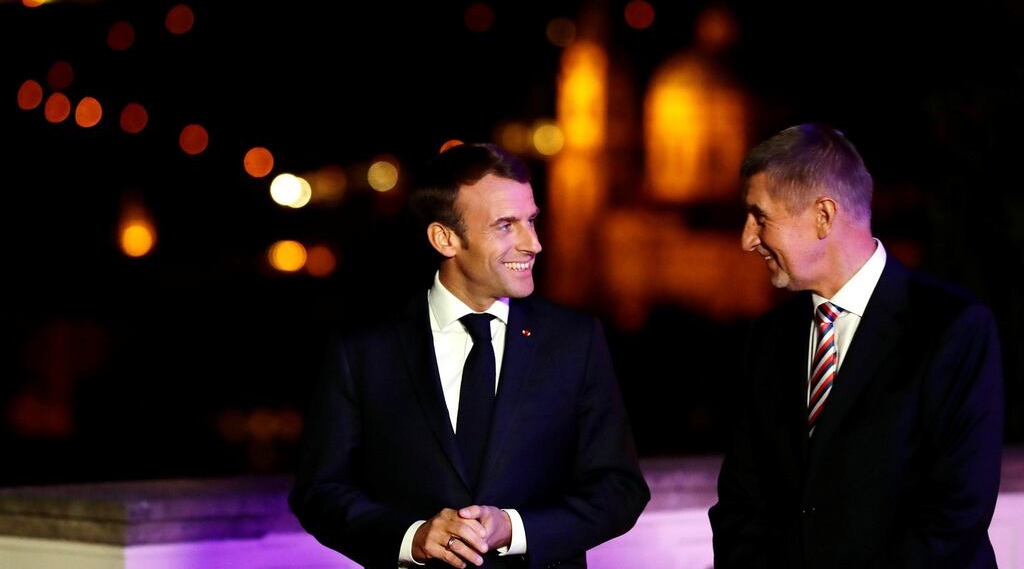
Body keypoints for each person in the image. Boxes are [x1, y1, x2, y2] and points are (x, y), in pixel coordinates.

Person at [289, 142, 650, 569]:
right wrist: (412, 538)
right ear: (445, 238)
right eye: (505, 226)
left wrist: (515, 529)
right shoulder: (365, 350)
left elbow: (620, 487)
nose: (532, 243)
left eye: (532, 221)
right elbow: (320, 492)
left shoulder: (575, 340)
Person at [709, 123, 1004, 568]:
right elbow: (740, 501)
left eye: (760, 217)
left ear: (823, 216)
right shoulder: (768, 338)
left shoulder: (953, 329)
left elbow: (956, 512)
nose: (747, 238)